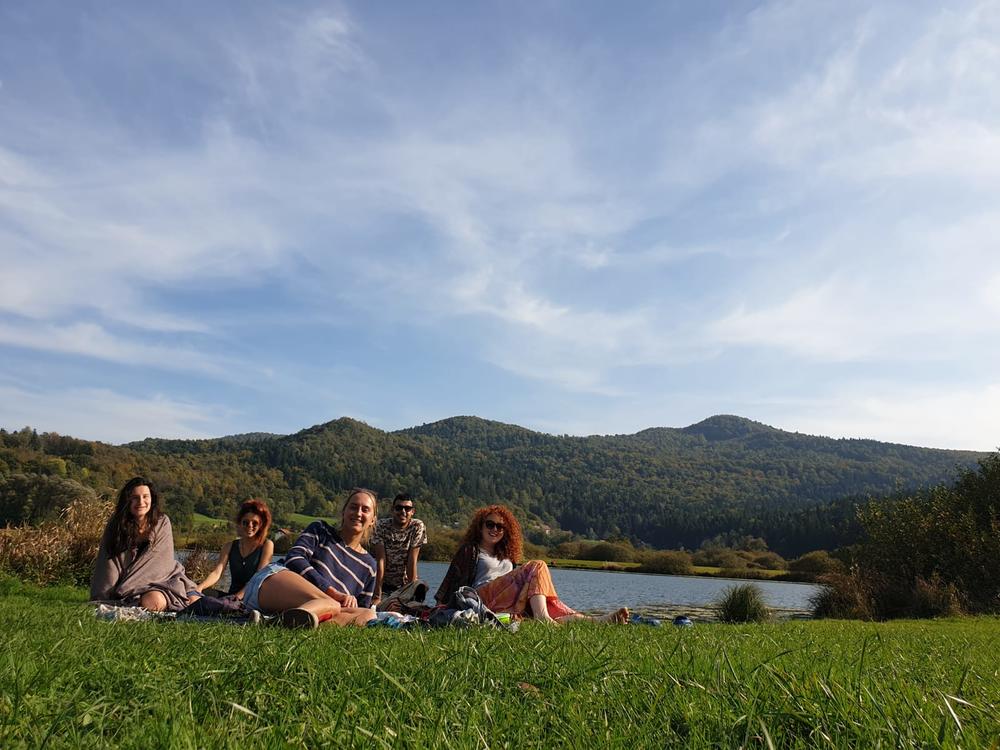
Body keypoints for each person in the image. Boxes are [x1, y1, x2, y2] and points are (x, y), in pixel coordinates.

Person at [435, 504, 629, 624]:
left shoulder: (507, 556)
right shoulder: (471, 550)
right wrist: (441, 608)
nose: (495, 529)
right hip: (482, 599)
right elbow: (452, 582)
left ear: (506, 531)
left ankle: (598, 620)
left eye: (500, 526)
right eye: (490, 524)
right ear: (480, 526)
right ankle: (542, 618)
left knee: (553, 606)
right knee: (537, 566)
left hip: (506, 602)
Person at [241, 488, 379, 628]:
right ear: (344, 511)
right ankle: (285, 621)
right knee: (331, 604)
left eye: (365, 509)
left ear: (373, 519)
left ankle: (283, 621)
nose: (358, 513)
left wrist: (349, 603)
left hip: (325, 608)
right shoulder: (320, 530)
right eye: (353, 507)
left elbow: (358, 609)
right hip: (270, 585)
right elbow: (294, 558)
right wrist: (332, 593)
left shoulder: (370, 566)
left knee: (368, 615)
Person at [90, 477, 199, 612]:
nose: (141, 502)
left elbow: (160, 562)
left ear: (152, 499)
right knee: (153, 602)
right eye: (135, 497)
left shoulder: (162, 522)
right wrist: (103, 595)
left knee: (196, 602)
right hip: (127, 588)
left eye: (145, 496)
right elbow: (107, 561)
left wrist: (129, 585)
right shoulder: (116, 525)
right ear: (127, 500)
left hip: (165, 580)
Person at [195, 499, 274, 600]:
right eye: (246, 522)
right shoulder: (229, 546)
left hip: (252, 598)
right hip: (230, 597)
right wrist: (199, 588)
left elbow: (257, 578)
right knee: (199, 594)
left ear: (261, 525)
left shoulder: (267, 545)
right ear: (240, 523)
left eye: (255, 523)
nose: (250, 526)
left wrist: (236, 598)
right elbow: (216, 573)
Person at [371, 493, 427, 607]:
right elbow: (381, 560)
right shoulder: (380, 526)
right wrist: (377, 595)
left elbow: (412, 560)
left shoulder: (417, 526)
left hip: (405, 583)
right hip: (384, 583)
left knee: (422, 586)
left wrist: (411, 592)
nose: (403, 512)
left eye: (407, 508)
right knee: (382, 607)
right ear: (392, 510)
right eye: (399, 508)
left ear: (412, 511)